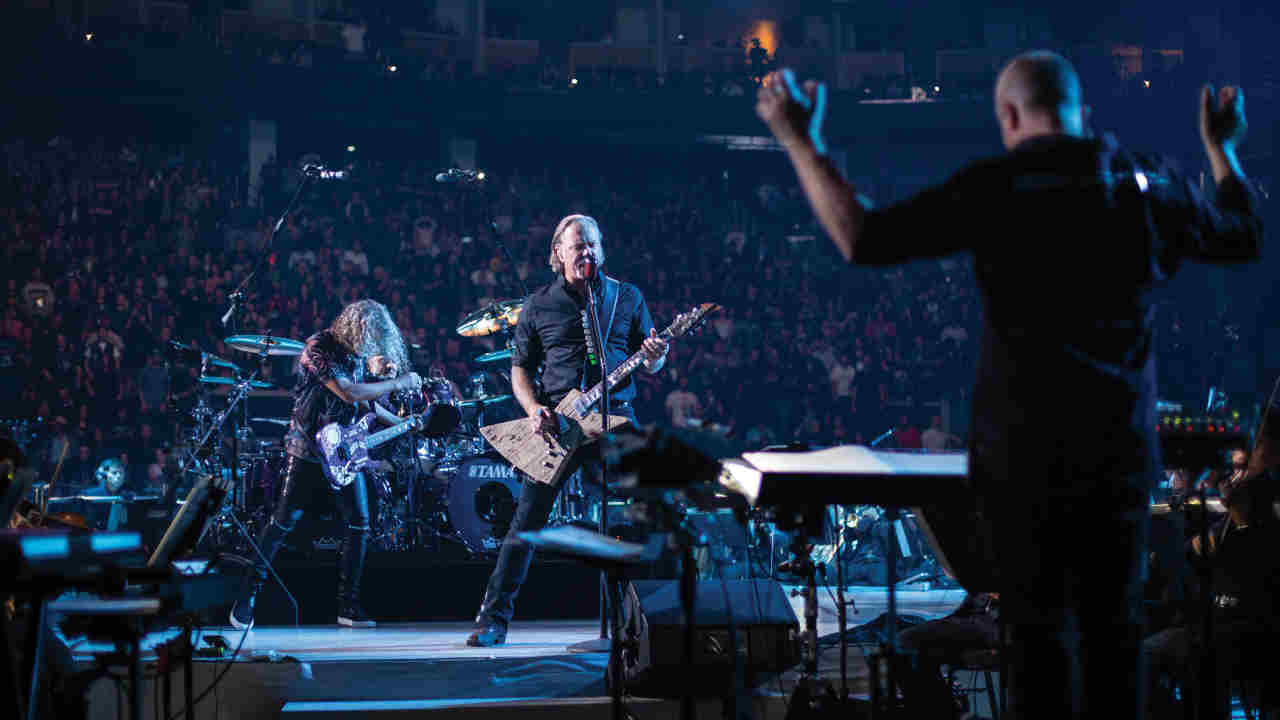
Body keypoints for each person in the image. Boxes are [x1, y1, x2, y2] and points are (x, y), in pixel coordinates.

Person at [756, 51, 1262, 718]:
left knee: (1037, 651)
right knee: (1116, 644)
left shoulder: (999, 184)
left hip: (1025, 466)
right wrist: (1221, 149)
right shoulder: (1143, 183)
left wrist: (800, 139)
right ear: (1080, 111)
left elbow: (863, 238)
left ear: (1009, 115)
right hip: (1119, 463)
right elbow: (1243, 235)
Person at [466, 214, 669, 647]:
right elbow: (520, 369)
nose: (586, 253)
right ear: (558, 253)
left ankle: (656, 613)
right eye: (578, 246)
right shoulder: (539, 305)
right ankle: (492, 619)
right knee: (527, 519)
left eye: (592, 244)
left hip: (617, 416)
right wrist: (534, 407)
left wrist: (655, 355)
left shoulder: (625, 297)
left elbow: (651, 363)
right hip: (558, 425)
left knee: (657, 499)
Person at [230, 299, 423, 630]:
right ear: (354, 326)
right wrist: (398, 383)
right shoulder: (319, 347)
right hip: (307, 449)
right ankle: (246, 599)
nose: (372, 341)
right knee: (281, 523)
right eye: (368, 333)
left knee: (359, 523)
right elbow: (347, 392)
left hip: (344, 451)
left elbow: (368, 406)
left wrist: (406, 423)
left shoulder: (360, 357)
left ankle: (348, 606)